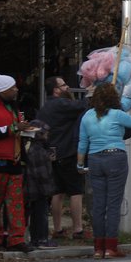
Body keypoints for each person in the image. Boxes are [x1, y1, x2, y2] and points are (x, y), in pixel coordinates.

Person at [78, 83, 131, 259]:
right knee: (113, 204)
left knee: (98, 204)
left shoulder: (87, 116)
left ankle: (98, 247)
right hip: (115, 157)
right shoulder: (117, 115)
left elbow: (82, 143)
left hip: (95, 159)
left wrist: (80, 164)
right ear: (114, 98)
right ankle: (111, 247)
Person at [36, 76, 89, 240]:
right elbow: (82, 105)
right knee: (75, 191)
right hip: (68, 152)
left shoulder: (45, 107)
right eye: (64, 85)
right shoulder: (61, 104)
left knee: (57, 192)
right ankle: (78, 229)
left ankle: (58, 229)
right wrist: (92, 93)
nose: (68, 87)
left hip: (52, 153)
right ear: (56, 90)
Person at [0, 74, 33, 253]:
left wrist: (25, 128)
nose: (16, 90)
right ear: (2, 90)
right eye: (12, 88)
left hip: (15, 161)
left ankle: (16, 239)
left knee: (16, 203)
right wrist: (14, 128)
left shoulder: (12, 107)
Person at [22, 119, 58, 249]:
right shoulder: (38, 150)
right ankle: (41, 239)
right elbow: (42, 173)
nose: (47, 135)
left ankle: (29, 239)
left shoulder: (26, 146)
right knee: (40, 214)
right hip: (38, 189)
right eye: (45, 133)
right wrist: (49, 190)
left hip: (27, 188)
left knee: (28, 215)